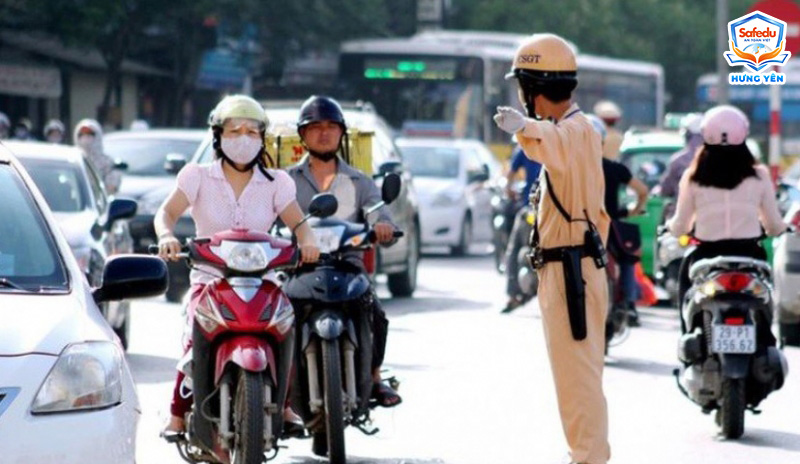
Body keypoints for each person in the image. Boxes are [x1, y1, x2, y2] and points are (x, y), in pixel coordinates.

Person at [155, 94, 321, 441]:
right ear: (218, 135)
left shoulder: (277, 183)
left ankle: (286, 404)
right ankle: (177, 413)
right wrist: (167, 235)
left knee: (285, 327)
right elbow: (166, 213)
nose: (243, 138)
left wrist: (308, 241)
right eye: (234, 131)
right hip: (210, 279)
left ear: (262, 138)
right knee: (192, 340)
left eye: (251, 131)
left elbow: (299, 223)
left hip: (264, 281)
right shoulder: (197, 176)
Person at [493, 33, 611, 464]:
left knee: (578, 385)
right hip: (570, 269)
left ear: (533, 88)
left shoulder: (576, 131)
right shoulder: (574, 132)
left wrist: (524, 126)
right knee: (575, 383)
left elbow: (555, 141)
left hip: (571, 272)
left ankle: (588, 460)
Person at [286, 95, 402, 408]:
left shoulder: (360, 181)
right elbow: (267, 218)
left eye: (331, 126)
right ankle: (279, 389)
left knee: (376, 314)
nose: (324, 133)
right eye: (315, 127)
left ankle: (375, 378)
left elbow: (378, 213)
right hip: (299, 269)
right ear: (303, 134)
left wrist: (383, 227)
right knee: (276, 319)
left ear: (341, 133)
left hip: (348, 268)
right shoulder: (284, 181)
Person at [667, 105, 789, 332]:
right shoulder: (759, 175)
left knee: (687, 287)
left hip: (706, 255)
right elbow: (773, 224)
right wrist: (781, 228)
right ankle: (766, 339)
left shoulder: (693, 176)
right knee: (765, 297)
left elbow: (681, 224)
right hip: (749, 255)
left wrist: (671, 229)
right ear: (744, 133)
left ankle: (689, 335)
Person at [587, 114, 648, 326]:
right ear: (602, 142)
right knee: (627, 259)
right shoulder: (615, 168)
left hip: (577, 229)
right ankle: (629, 305)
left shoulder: (569, 170)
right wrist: (632, 211)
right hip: (609, 227)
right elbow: (643, 191)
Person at [501, 142, 542, 313]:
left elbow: (509, 177)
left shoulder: (526, 148)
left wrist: (509, 190)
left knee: (513, 250)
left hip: (530, 209)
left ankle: (513, 295)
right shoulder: (556, 145)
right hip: (553, 212)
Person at [659, 112, 704, 199]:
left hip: (685, 209)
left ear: (687, 134)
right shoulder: (720, 159)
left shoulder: (678, 161)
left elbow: (665, 190)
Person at [73, 119, 122, 194]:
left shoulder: (108, 163)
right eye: (82, 135)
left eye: (90, 134)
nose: (85, 138)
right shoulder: (73, 161)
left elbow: (112, 187)